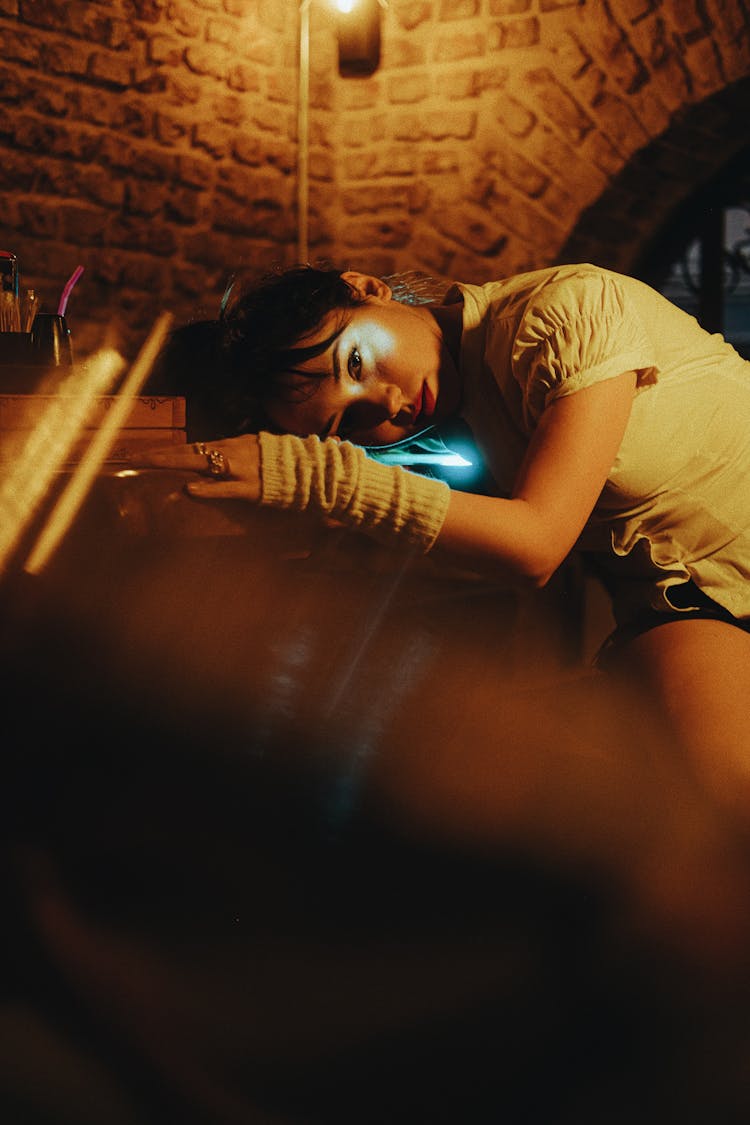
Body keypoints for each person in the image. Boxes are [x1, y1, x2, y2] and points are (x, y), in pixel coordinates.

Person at [143, 261, 750, 814]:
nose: (389, 404)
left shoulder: (563, 309)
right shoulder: (463, 417)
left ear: (366, 289)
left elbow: (535, 544)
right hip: (693, 598)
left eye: (356, 362)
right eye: (349, 422)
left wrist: (315, 477)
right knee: (708, 806)